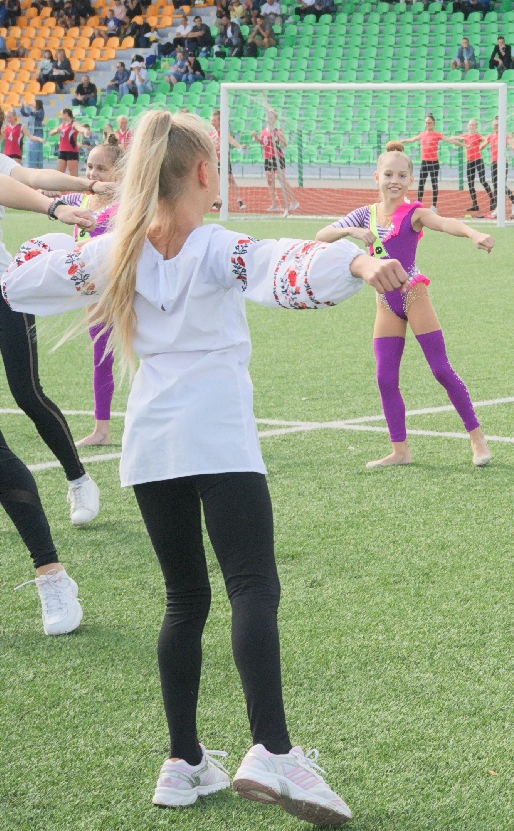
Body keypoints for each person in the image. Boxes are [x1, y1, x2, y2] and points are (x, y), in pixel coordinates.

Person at [4, 111, 391, 821]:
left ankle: (183, 763)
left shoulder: (115, 251)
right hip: (216, 433)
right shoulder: (213, 244)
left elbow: (23, 284)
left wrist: (54, 230)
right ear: (205, 173)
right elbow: (285, 265)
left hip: (150, 442)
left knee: (184, 600)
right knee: (252, 587)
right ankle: (273, 752)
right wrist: (361, 263)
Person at [316, 142, 495, 468]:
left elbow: (445, 223)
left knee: (440, 369)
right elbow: (322, 235)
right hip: (385, 302)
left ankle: (477, 438)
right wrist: (351, 230)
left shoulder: (415, 213)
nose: (394, 181)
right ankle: (400, 451)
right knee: (385, 378)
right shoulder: (365, 214)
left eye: (401, 176)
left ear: (411, 180)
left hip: (413, 294)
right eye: (388, 175)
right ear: (377, 177)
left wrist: (472, 233)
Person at [0, 171, 96, 636]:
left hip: (4, 295)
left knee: (27, 396)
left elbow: (15, 177)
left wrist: (57, 206)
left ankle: (51, 572)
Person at [52, 140, 123, 447]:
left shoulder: (125, 204)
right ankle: (101, 430)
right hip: (93, 289)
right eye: (90, 167)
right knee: (101, 355)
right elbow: (50, 196)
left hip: (120, 286)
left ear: (119, 172)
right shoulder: (80, 198)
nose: (93, 173)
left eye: (101, 168)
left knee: (152, 351)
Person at [398, 113, 460, 210]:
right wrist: (403, 141)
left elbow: (449, 140)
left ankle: (434, 206)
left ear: (433, 123)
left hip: (434, 163)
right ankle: (418, 204)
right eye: (426, 123)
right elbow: (413, 139)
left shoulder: (437, 134)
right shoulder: (422, 134)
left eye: (430, 123)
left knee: (434, 184)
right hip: (424, 162)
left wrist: (461, 144)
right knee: (421, 184)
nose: (428, 124)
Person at [253, 110, 296, 214]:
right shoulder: (264, 131)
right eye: (268, 115)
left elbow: (284, 144)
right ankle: (274, 204)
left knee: (282, 179)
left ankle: (293, 201)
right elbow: (264, 143)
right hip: (267, 158)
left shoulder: (277, 131)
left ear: (274, 119)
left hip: (277, 157)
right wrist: (256, 138)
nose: (268, 117)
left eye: (271, 115)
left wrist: (281, 136)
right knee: (270, 181)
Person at [208, 109, 246, 212]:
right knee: (216, 181)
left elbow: (231, 140)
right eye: (212, 120)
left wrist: (239, 146)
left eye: (214, 120)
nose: (212, 122)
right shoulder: (210, 133)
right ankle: (219, 202)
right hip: (214, 161)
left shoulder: (224, 132)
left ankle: (239, 200)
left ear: (219, 121)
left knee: (230, 179)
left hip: (224, 160)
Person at [459, 118, 496, 213]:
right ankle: (475, 204)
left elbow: (487, 139)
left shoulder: (478, 136)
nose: (471, 126)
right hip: (469, 161)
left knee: (482, 180)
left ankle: (492, 200)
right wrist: (460, 139)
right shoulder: (465, 136)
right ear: (468, 126)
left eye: (473, 125)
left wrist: (483, 144)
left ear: (476, 127)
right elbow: (452, 138)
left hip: (478, 160)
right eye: (470, 124)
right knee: (470, 183)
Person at [52, 108, 89, 177]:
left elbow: (80, 128)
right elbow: (51, 133)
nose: (61, 116)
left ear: (66, 114)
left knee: (73, 174)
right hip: (62, 150)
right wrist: (57, 130)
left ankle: (75, 184)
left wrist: (85, 131)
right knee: (59, 173)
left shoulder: (74, 124)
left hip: (71, 151)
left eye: (62, 114)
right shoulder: (62, 125)